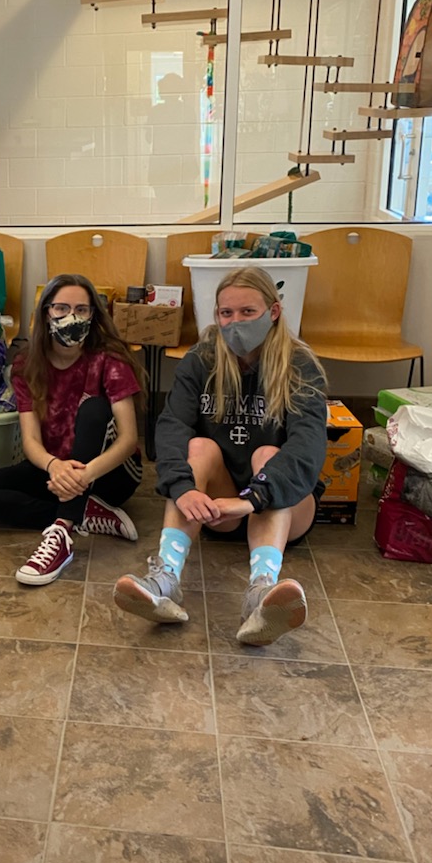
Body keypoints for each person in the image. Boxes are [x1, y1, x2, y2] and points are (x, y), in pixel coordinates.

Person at [113, 265, 327, 646]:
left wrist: (255, 497)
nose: (235, 322)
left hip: (284, 507)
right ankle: (165, 578)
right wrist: (182, 487)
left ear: (273, 312)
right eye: (226, 313)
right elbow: (172, 425)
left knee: (269, 454)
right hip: (218, 509)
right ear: (216, 314)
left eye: (248, 312)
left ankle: (262, 591)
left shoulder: (300, 364)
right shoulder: (202, 359)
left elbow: (307, 446)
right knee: (198, 447)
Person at [0, 273, 144, 586]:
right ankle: (85, 513)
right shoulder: (27, 364)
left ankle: (62, 531)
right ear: (46, 312)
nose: (71, 317)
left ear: (93, 315)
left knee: (94, 408)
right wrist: (55, 467)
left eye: (81, 309)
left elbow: (128, 440)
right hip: (56, 469)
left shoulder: (108, 360)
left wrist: (83, 476)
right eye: (62, 308)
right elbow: (30, 440)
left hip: (109, 474)